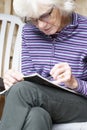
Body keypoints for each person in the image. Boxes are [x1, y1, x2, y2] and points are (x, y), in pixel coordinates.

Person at [1, 0, 87, 130]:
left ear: (61, 5)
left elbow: (25, 90)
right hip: (43, 102)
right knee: (37, 115)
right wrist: (14, 81)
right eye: (33, 19)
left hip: (80, 105)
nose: (40, 25)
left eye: (45, 15)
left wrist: (74, 83)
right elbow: (28, 79)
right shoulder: (29, 31)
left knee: (22, 90)